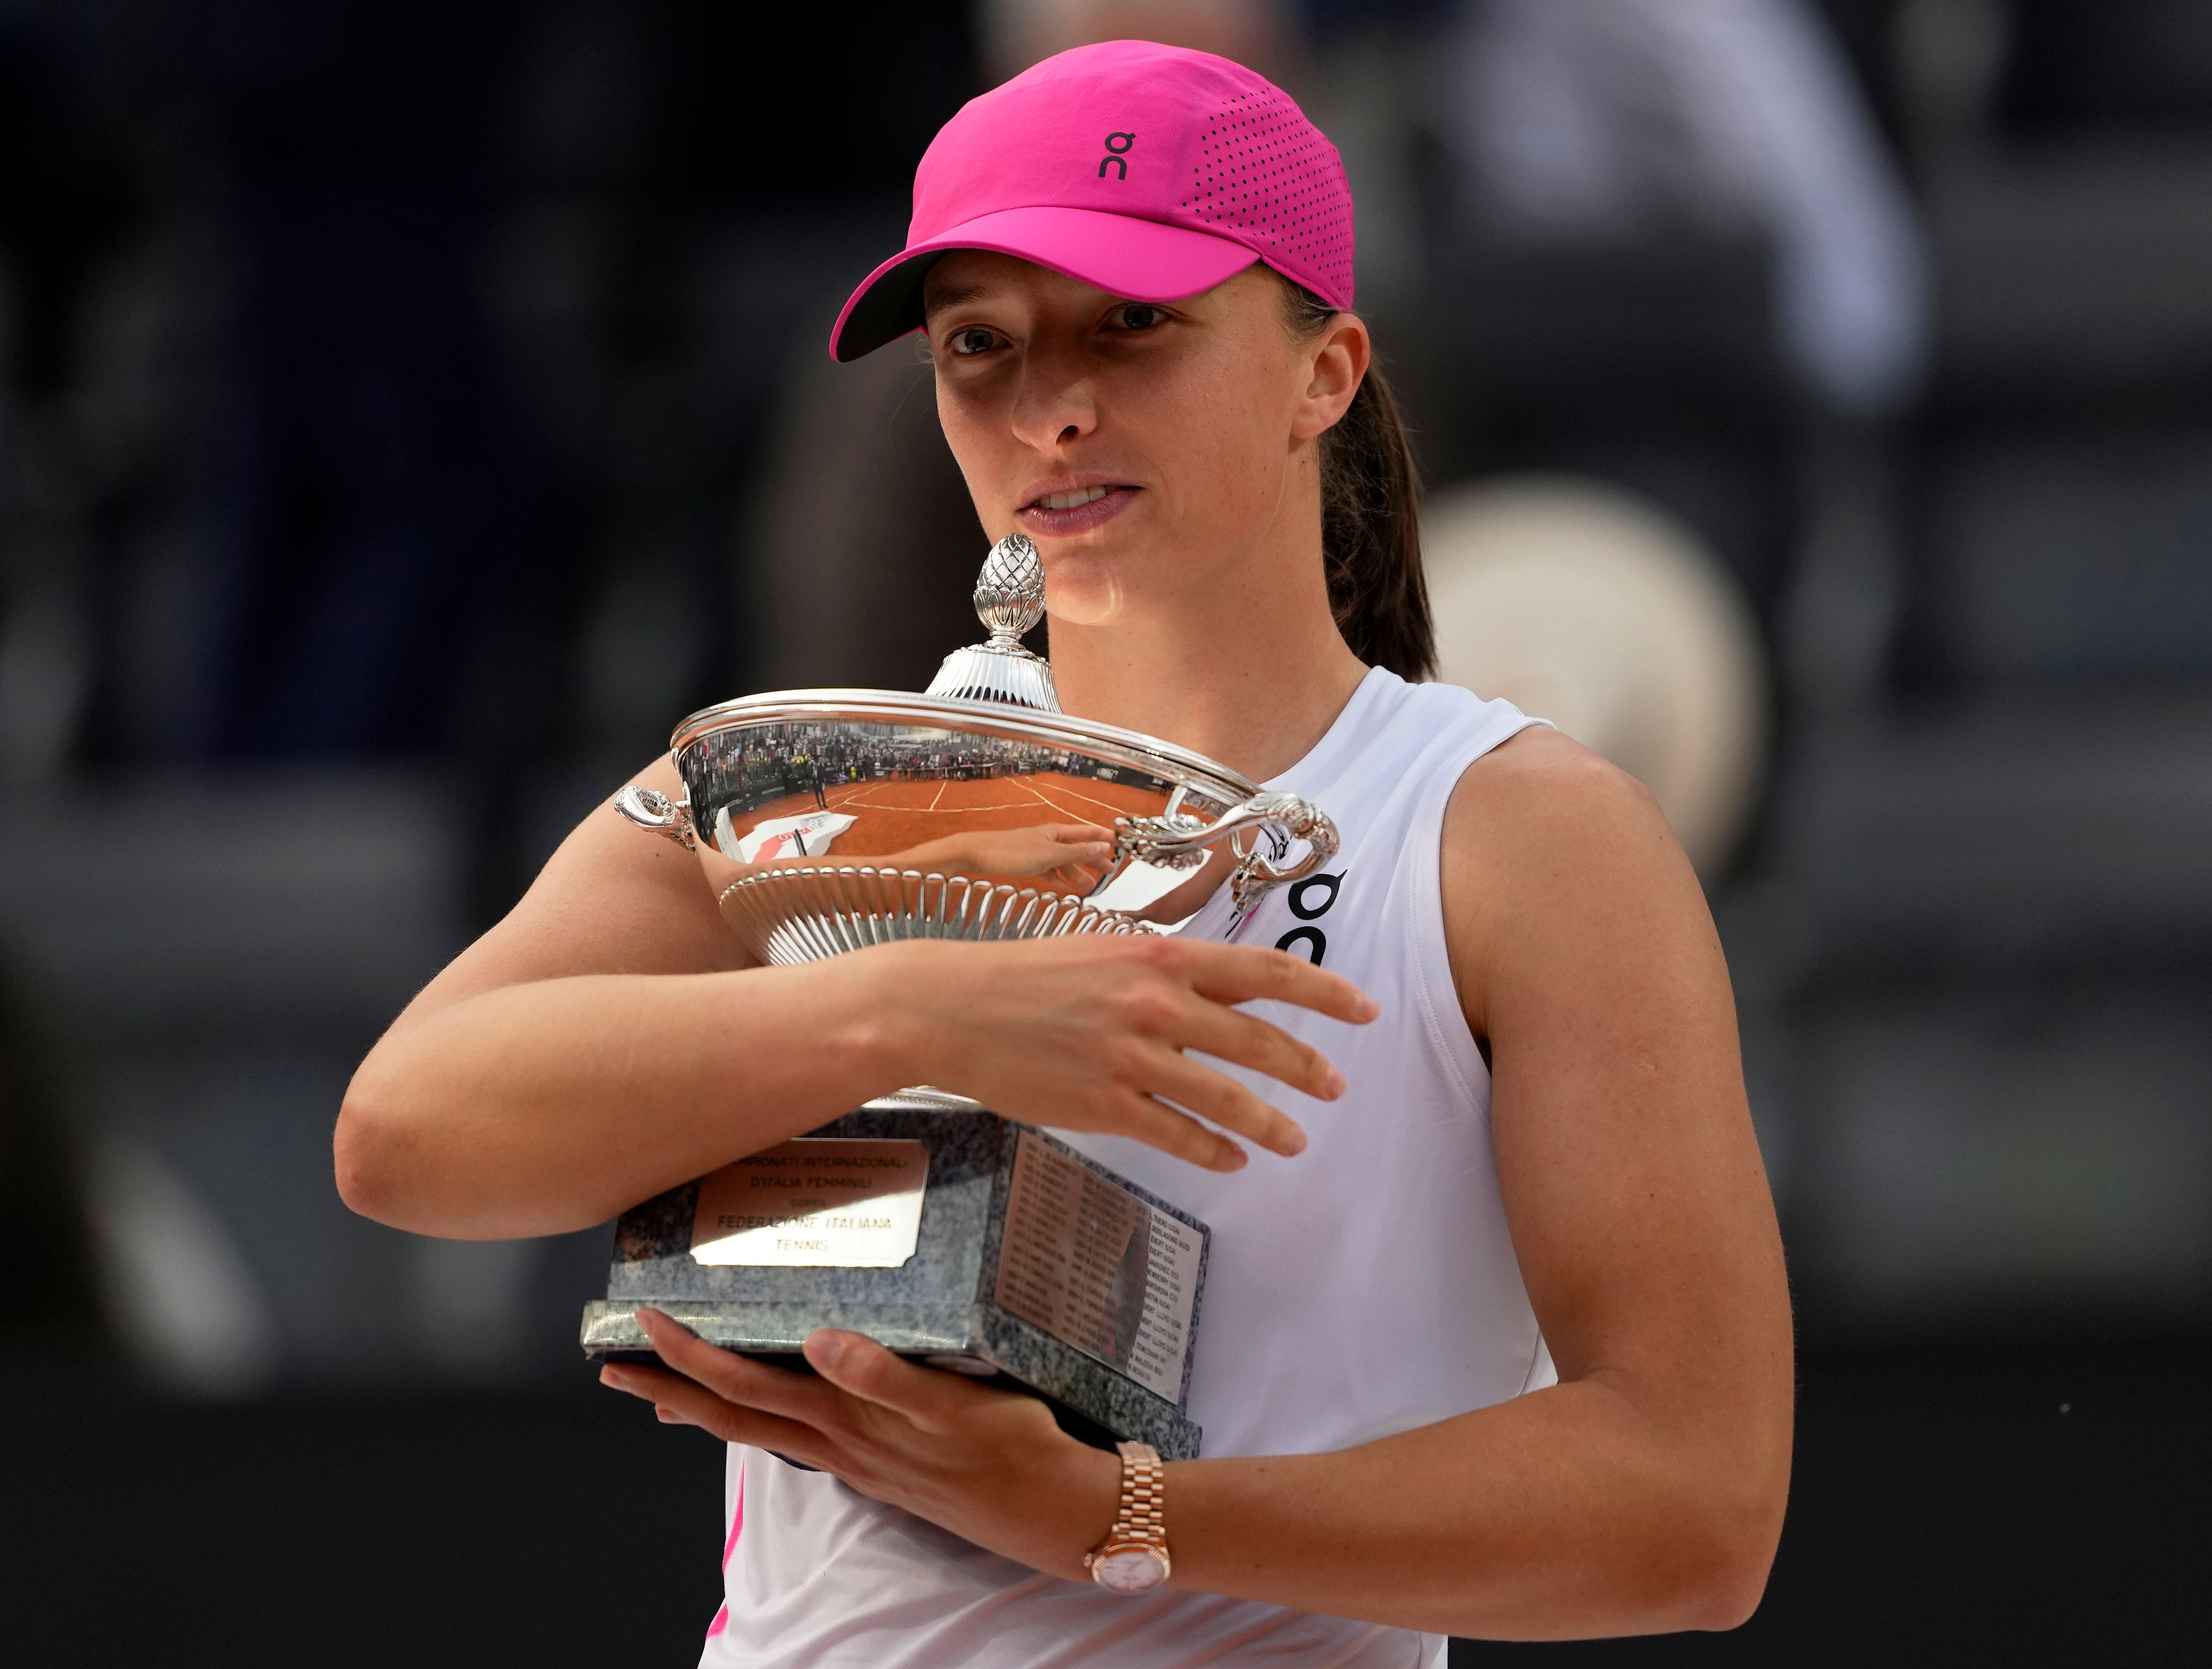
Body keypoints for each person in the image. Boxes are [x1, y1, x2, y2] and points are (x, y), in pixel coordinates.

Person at [336, 40, 1791, 1664]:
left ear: (1325, 371)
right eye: (979, 346)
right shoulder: (806, 793)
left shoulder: (1513, 831)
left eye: (1135, 324)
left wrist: (1124, 1519)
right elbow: (402, 1138)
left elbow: (1694, 1504)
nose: (1049, 406)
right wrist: (906, 1019)